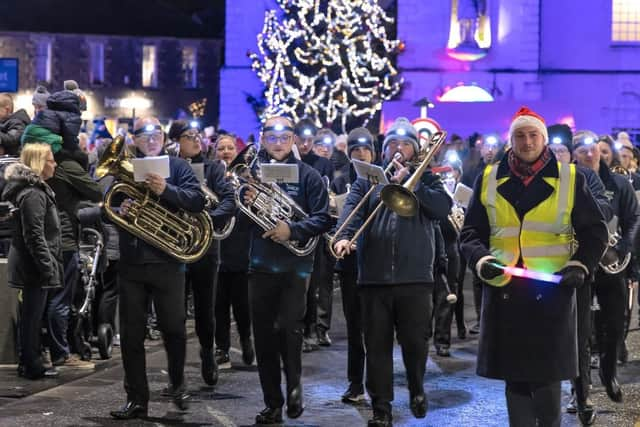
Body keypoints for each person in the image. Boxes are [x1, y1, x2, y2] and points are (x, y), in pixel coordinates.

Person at [460, 107, 608, 427]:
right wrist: (482, 259)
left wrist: (581, 265)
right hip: (505, 289)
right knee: (515, 379)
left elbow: (595, 232)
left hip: (552, 290)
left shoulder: (570, 177)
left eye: (533, 135)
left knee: (546, 379)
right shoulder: (488, 177)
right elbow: (470, 233)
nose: (527, 142)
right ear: (510, 141)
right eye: (520, 136)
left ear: (543, 139)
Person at [333, 117, 452, 427]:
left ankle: (416, 388)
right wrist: (343, 237)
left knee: (415, 343)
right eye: (393, 145)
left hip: (415, 279)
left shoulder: (426, 178)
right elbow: (351, 213)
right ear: (384, 151)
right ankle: (381, 408)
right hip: (373, 279)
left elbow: (442, 209)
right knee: (377, 347)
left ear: (415, 150)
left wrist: (415, 181)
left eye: (406, 144)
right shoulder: (367, 181)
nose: (399, 150)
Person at [109, 116, 206, 419]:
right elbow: (107, 206)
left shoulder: (178, 167)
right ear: (134, 138)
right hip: (132, 264)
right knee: (132, 334)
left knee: (175, 330)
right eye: (144, 134)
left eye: (157, 134)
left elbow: (197, 201)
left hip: (168, 262)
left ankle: (177, 384)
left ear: (164, 138)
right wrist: (118, 208)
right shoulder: (124, 171)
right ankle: (137, 399)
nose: (151, 139)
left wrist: (166, 189)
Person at [241, 116, 331, 424]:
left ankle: (294, 388)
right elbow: (239, 221)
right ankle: (272, 403)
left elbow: (322, 219)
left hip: (296, 267)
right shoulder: (253, 178)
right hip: (261, 266)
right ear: (263, 140)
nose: (278, 143)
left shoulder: (309, 176)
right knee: (264, 336)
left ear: (292, 140)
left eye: (284, 137)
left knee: (290, 329)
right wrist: (250, 203)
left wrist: (290, 230)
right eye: (272, 137)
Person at [571, 130, 639, 406]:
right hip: (580, 264)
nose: (590, 154)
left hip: (613, 263)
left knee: (614, 324)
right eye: (583, 150)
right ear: (574, 154)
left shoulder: (620, 183)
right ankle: (580, 388)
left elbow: (634, 218)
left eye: (594, 149)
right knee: (580, 331)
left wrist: (626, 247)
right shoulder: (568, 183)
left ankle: (609, 373)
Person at [168, 119, 236, 385]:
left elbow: (229, 200)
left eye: (197, 134)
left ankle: (208, 353)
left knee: (206, 307)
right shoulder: (169, 167)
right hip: (175, 244)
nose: (195, 139)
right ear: (176, 141)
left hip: (206, 247)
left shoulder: (214, 168)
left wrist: (209, 221)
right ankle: (177, 369)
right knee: (174, 310)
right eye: (188, 135)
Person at [3, 143, 62, 379]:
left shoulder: (32, 191)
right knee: (31, 317)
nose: (54, 164)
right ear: (39, 163)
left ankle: (29, 362)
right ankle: (32, 365)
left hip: (31, 263)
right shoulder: (34, 194)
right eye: (50, 160)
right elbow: (34, 236)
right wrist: (47, 267)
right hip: (33, 265)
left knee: (31, 315)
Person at [330, 127, 375, 404]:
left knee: (378, 328)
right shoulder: (340, 180)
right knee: (354, 326)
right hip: (350, 263)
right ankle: (355, 382)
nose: (360, 154)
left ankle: (378, 382)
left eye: (365, 150)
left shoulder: (382, 178)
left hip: (377, 264)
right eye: (355, 150)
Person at [213, 133, 255, 369]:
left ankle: (246, 338)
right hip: (219, 246)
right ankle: (222, 349)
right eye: (221, 149)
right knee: (219, 305)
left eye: (230, 148)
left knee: (242, 303)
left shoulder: (247, 177)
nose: (226, 152)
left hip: (240, 244)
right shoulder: (213, 176)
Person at [293, 118, 335, 351]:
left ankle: (312, 328)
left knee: (313, 284)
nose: (307, 144)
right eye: (303, 139)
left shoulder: (323, 164)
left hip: (313, 228)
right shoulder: (290, 162)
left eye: (311, 140)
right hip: (292, 227)